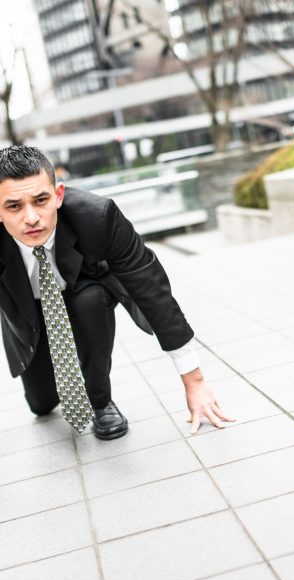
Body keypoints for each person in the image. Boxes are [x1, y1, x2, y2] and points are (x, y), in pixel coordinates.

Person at [0, 146, 234, 440]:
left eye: (41, 200)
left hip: (82, 289)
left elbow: (151, 288)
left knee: (90, 301)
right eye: (13, 206)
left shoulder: (99, 216)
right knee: (42, 405)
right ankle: (49, 389)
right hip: (26, 309)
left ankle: (101, 402)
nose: (31, 218)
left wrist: (194, 379)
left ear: (58, 195)